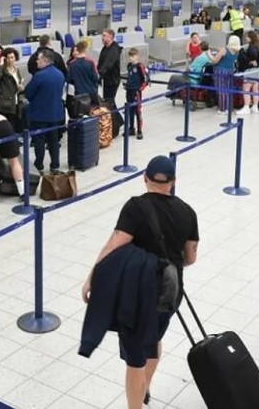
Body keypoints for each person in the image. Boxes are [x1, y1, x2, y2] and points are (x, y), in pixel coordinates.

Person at [80, 155, 199, 409]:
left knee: (135, 358)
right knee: (153, 339)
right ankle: (144, 388)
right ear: (173, 181)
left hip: (137, 295)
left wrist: (93, 276)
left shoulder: (135, 207)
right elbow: (190, 258)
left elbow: (114, 244)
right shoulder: (188, 212)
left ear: (145, 178)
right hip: (169, 292)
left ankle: (135, 404)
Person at [24, 50, 66, 174]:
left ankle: (39, 166)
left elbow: (28, 93)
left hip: (39, 115)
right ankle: (55, 166)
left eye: (39, 59)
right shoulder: (60, 74)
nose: (36, 61)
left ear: (45, 61)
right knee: (54, 141)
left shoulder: (39, 76)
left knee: (39, 142)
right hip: (56, 114)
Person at [0, 47, 24, 131]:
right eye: (8, 58)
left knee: (13, 126)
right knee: (5, 128)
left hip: (15, 102)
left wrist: (21, 87)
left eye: (12, 57)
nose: (10, 60)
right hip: (4, 104)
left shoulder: (16, 70)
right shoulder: (2, 70)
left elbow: (18, 83)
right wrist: (1, 64)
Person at [235, 31, 259, 115]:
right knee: (255, 88)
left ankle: (246, 107)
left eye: (247, 37)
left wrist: (252, 60)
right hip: (258, 70)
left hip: (250, 70)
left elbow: (253, 55)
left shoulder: (252, 46)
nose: (245, 38)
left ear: (250, 37)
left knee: (246, 89)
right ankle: (255, 106)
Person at [208, 35, 240, 115]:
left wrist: (208, 54)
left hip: (220, 71)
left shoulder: (224, 50)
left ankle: (222, 109)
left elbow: (215, 61)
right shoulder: (236, 51)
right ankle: (229, 108)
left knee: (221, 90)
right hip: (230, 71)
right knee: (228, 90)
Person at [124, 48, 149, 139]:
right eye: (130, 56)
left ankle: (139, 130)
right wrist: (126, 85)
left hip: (136, 92)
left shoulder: (140, 66)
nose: (131, 58)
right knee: (130, 110)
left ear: (137, 56)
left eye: (133, 56)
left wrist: (140, 89)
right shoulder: (129, 66)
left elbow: (146, 79)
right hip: (129, 91)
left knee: (137, 111)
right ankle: (131, 128)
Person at [67, 39, 100, 106]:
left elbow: (69, 80)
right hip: (92, 93)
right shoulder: (91, 62)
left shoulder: (72, 64)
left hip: (79, 95)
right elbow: (95, 78)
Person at [98, 29, 123, 101]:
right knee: (108, 101)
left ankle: (115, 112)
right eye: (102, 36)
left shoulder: (113, 50)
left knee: (109, 101)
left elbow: (107, 64)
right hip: (106, 80)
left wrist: (99, 74)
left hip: (112, 81)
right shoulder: (105, 48)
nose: (102, 38)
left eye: (104, 36)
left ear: (110, 37)